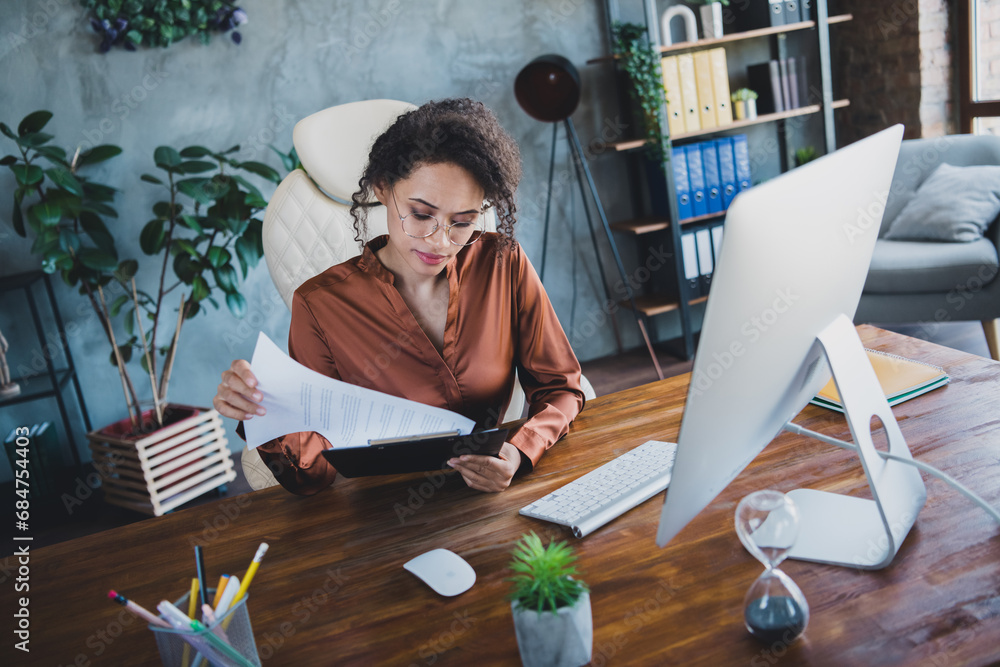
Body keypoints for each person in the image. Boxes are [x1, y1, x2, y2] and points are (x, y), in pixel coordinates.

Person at [213, 98, 585, 495]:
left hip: (493, 492)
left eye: (462, 222)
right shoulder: (320, 306)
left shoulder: (502, 262)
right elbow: (314, 475)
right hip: (382, 508)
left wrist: (519, 451)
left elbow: (561, 387)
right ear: (382, 189)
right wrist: (262, 412)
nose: (440, 242)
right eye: (421, 214)